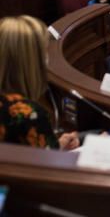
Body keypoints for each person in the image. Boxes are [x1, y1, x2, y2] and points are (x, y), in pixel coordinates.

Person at [0, 15, 78, 150]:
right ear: (32, 62)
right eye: (44, 52)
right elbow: (46, 168)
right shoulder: (29, 114)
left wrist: (56, 145)